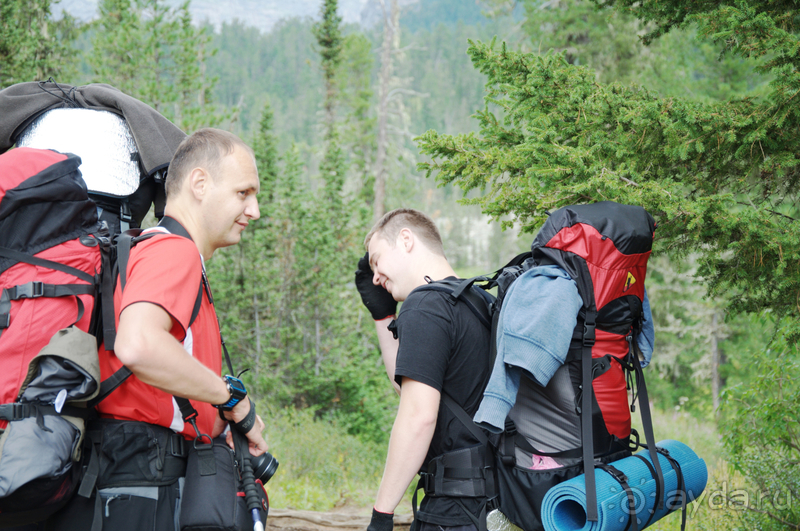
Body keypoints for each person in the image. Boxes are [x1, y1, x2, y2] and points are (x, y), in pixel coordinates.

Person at [52, 128, 267, 531]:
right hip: (141, 482)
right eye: (243, 193)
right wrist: (230, 398)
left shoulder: (155, 248)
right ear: (199, 184)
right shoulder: (175, 250)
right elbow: (138, 344)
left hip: (129, 474)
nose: (254, 210)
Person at [355, 208, 493, 531]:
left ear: (406, 240)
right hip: (488, 504)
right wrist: (382, 317)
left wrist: (381, 515)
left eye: (377, 260)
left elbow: (418, 415)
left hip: (453, 511)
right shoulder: (478, 300)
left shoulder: (425, 304)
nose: (375, 277)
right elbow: (413, 387)